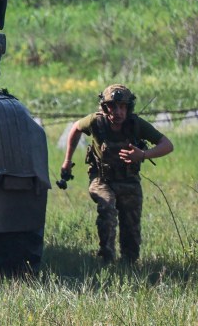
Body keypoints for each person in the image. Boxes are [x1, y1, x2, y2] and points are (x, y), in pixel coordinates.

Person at [60, 84, 174, 263]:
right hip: (101, 179)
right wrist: (67, 161)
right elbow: (75, 129)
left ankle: (128, 264)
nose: (118, 112)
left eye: (122, 107)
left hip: (129, 181)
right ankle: (107, 259)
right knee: (107, 206)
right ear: (105, 107)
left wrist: (143, 155)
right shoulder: (96, 122)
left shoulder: (135, 124)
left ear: (128, 108)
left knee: (131, 226)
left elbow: (167, 145)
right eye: (113, 106)